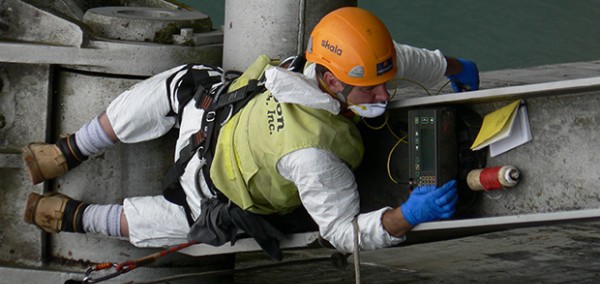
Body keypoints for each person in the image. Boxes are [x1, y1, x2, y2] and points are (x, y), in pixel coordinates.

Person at [21, 7, 479, 259]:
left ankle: (65, 155)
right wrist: (406, 216)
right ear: (334, 81)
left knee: (179, 82)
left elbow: (395, 59)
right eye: (371, 87)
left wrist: (454, 66)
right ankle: (68, 207)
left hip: (212, 115)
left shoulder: (322, 61)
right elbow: (342, 232)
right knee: (171, 223)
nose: (383, 91)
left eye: (383, 80)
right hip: (209, 193)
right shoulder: (315, 157)